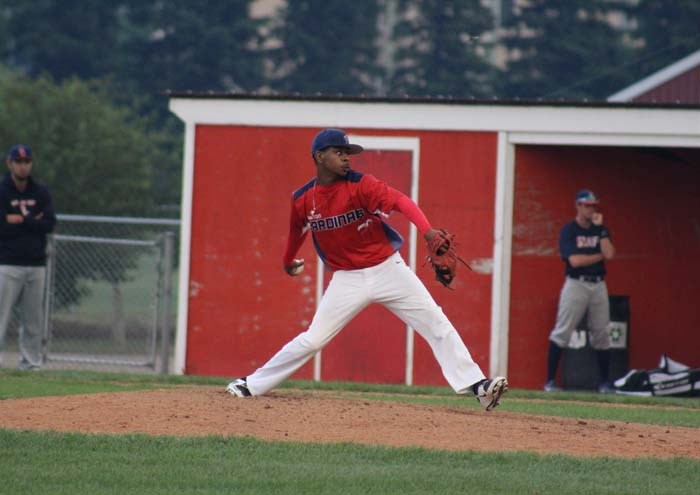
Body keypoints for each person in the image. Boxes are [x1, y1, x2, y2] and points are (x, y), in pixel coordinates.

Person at [226, 128, 508, 411]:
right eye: (339, 152)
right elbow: (296, 231)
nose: (347, 159)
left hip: (388, 269)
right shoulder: (302, 199)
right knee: (313, 340)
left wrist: (427, 231)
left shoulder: (361, 185)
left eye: (348, 153)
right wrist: (288, 261)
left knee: (436, 322)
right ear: (319, 156)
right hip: (347, 280)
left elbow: (400, 201)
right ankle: (250, 385)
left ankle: (478, 385)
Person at [544, 189, 615, 393]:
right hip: (576, 283)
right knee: (563, 330)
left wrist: (601, 230)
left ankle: (604, 383)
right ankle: (549, 382)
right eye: (586, 205)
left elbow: (609, 253)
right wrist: (597, 256)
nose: (590, 209)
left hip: (598, 283)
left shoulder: (600, 229)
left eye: (593, 205)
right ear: (578, 206)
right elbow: (574, 261)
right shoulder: (569, 230)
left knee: (602, 332)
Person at [0, 144, 57, 370]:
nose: (23, 166)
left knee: (33, 319)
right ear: (10, 163)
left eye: (27, 162)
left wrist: (21, 220)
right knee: (1, 315)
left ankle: (31, 363)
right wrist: (34, 220)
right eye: (18, 162)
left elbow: (49, 223)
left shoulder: (40, 192)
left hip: (36, 263)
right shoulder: (3, 191)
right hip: (8, 263)